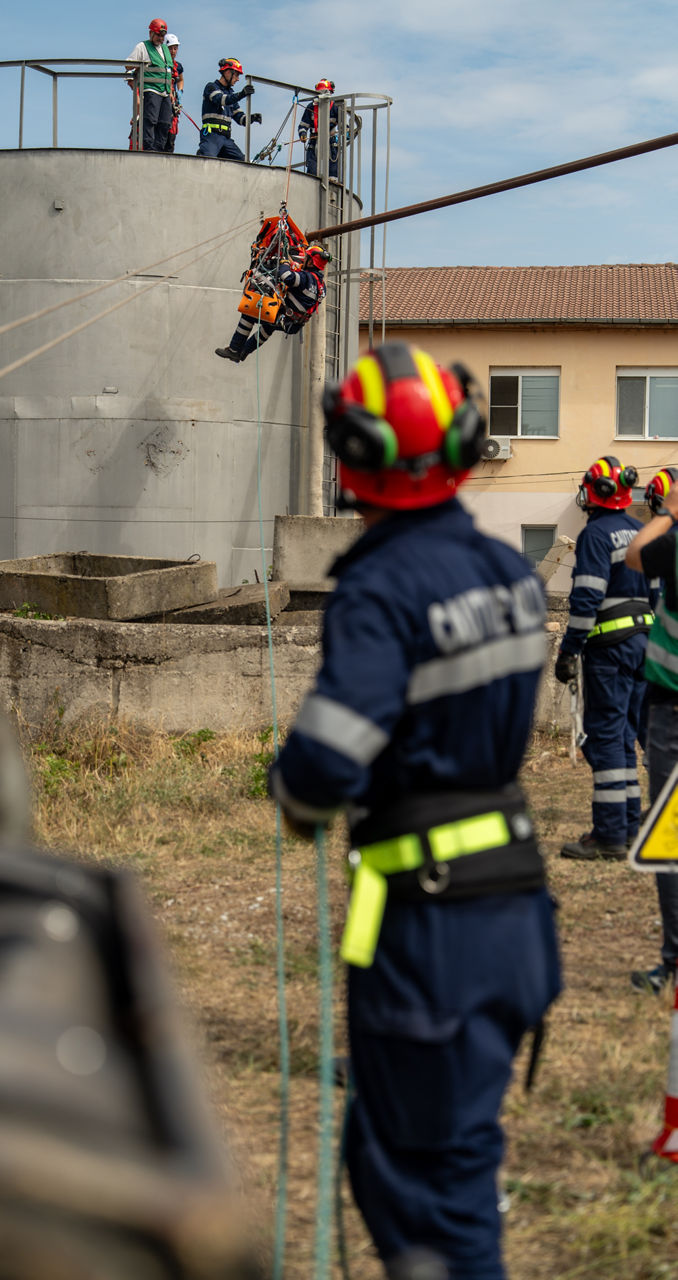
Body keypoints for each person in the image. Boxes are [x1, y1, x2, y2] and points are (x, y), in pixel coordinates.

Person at [268, 341, 561, 1280]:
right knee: (419, 1160)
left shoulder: (381, 586)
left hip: (431, 925)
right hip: (512, 906)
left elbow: (323, 763)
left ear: (348, 452)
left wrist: (293, 792)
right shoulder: (509, 574)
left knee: (430, 1190)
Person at [554, 456, 656, 859]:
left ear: (594, 492)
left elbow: (586, 598)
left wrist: (569, 650)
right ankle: (630, 827)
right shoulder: (643, 531)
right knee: (627, 737)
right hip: (644, 648)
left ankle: (611, 836)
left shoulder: (595, 535)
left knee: (608, 738)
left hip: (609, 652)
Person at [624, 467, 678, 994]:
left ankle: (675, 962)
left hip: (672, 710)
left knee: (671, 839)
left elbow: (635, 554)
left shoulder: (674, 543)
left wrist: (668, 515)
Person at [215, 241, 330, 363]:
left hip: (286, 319)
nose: (304, 259)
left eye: (306, 257)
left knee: (249, 314)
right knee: (268, 327)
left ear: (311, 262)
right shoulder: (321, 285)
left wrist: (284, 262)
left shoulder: (306, 278)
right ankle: (244, 352)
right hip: (293, 324)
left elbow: (286, 276)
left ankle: (234, 349)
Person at [125, 19, 175, 153]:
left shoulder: (165, 49)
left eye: (162, 36)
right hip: (151, 90)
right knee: (150, 120)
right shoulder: (142, 47)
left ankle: (159, 149)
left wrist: (170, 91)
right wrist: (137, 70)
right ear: (151, 33)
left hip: (165, 92)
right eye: (158, 35)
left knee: (165, 123)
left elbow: (168, 71)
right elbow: (128, 65)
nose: (160, 38)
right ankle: (148, 148)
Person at [196, 57, 261, 161]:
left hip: (226, 139)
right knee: (207, 162)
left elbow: (240, 119)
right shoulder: (211, 87)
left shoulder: (230, 94)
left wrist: (252, 118)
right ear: (227, 72)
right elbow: (222, 99)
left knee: (244, 162)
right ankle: (203, 153)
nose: (238, 79)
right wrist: (241, 94)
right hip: (211, 136)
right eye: (236, 74)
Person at [299, 79, 340, 178]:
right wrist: (303, 134)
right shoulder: (311, 107)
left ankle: (332, 188)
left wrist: (347, 133)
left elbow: (344, 125)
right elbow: (303, 125)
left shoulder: (335, 107)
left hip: (330, 142)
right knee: (312, 172)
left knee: (332, 172)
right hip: (314, 142)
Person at [163, 34, 184, 153]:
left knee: (171, 134)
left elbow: (180, 79)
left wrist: (180, 92)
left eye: (175, 48)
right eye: (170, 48)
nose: (173, 51)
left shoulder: (178, 66)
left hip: (173, 103)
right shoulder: (161, 64)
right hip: (161, 98)